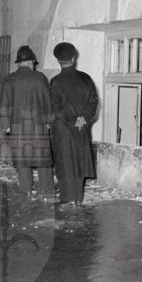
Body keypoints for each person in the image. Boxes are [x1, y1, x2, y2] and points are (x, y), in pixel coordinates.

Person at [0, 45, 53, 200]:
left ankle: (26, 190)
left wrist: (6, 125)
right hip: (38, 125)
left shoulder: (9, 79)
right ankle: (46, 191)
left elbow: (4, 104)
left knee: (22, 157)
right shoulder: (40, 78)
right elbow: (48, 102)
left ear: (19, 63)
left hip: (18, 126)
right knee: (42, 158)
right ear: (30, 62)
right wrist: (49, 121)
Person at [49, 42, 97, 207]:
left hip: (63, 129)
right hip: (81, 128)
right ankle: (77, 199)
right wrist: (81, 120)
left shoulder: (55, 82)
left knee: (65, 163)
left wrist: (70, 121)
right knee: (79, 162)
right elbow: (93, 102)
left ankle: (67, 199)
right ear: (73, 58)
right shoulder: (86, 78)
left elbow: (56, 109)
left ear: (58, 61)